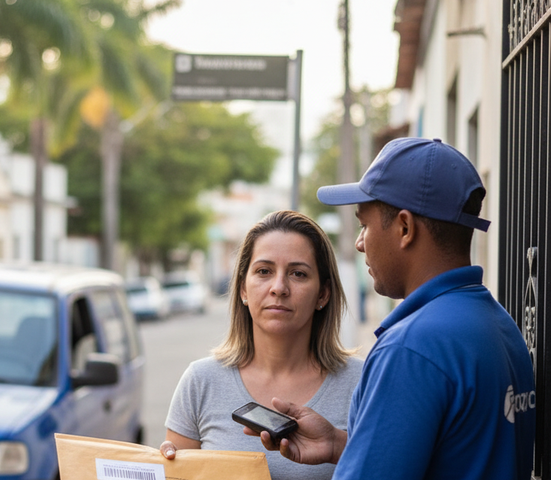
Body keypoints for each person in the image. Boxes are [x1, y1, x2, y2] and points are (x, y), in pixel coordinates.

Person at [248, 137, 536, 479]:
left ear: (404, 228)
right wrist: (343, 445)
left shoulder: (411, 348)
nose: (359, 242)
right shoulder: (498, 325)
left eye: (364, 225)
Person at [160, 210, 364, 480]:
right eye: (264, 271)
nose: (279, 287)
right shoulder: (200, 382)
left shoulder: (364, 383)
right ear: (243, 289)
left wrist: (339, 447)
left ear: (323, 294)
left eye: (298, 274)